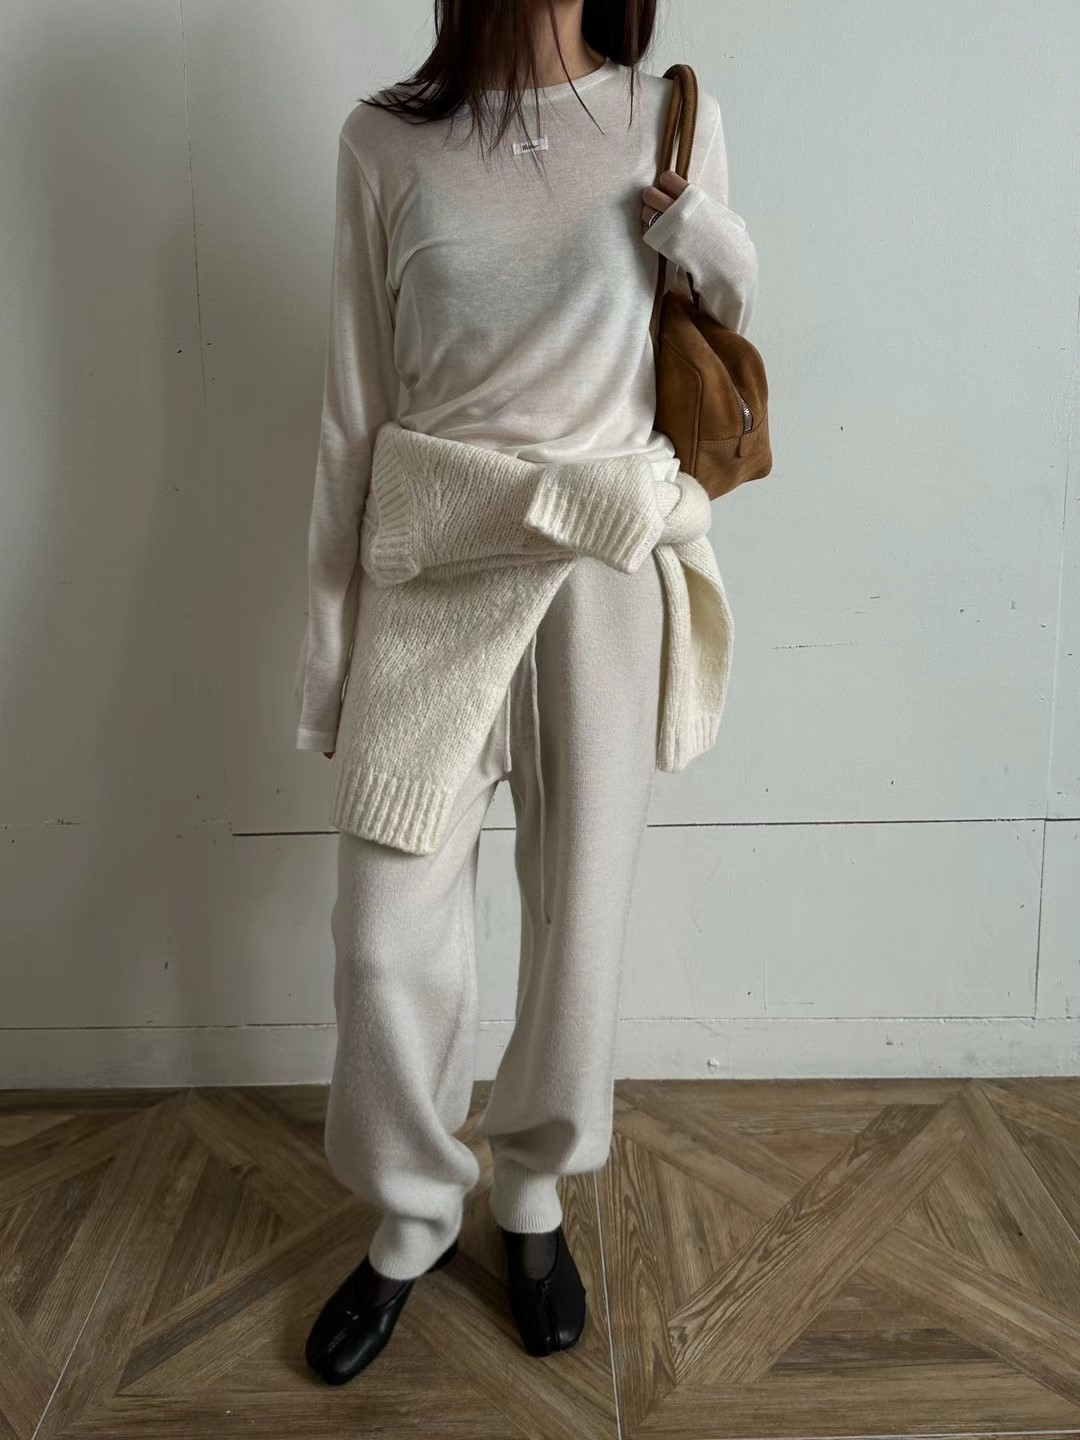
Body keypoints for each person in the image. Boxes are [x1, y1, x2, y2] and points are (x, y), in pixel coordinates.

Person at [294, 0, 759, 1384]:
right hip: (434, 561)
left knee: (578, 919)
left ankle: (534, 1192)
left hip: (601, 567)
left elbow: (723, 334)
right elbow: (351, 416)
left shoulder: (665, 119)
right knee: (383, 941)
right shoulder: (383, 146)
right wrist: (329, 662)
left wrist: (706, 236)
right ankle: (412, 1215)